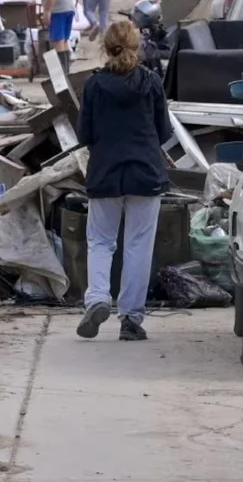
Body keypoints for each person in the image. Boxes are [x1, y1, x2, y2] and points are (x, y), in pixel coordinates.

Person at [75, 20, 173, 342]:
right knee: (138, 246)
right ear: (137, 47)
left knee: (101, 241)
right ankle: (130, 319)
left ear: (105, 48)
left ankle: (98, 298)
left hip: (105, 173)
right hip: (146, 173)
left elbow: (84, 135)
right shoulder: (151, 82)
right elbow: (164, 132)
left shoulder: (94, 85)